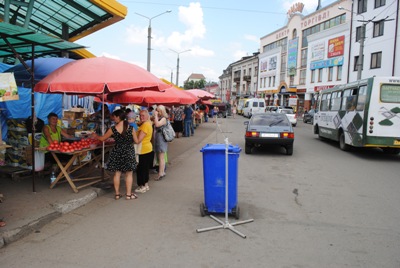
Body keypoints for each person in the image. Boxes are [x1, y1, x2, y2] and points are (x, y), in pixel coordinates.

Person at [90, 109, 139, 200]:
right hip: (128, 151)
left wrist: (95, 136)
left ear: (118, 117)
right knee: (129, 174)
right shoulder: (131, 128)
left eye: (114, 117)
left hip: (117, 151)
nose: (113, 119)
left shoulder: (113, 129)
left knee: (117, 173)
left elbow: (102, 139)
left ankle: (117, 194)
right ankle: (128, 195)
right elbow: (136, 141)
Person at [135, 109, 154, 193]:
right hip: (147, 148)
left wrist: (132, 134)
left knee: (141, 169)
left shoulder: (145, 125)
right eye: (140, 115)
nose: (141, 117)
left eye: (143, 115)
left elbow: (138, 140)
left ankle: (142, 185)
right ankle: (145, 185)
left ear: (147, 116)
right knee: (145, 169)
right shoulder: (147, 124)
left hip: (143, 149)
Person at [153, 105, 168, 181]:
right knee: (160, 157)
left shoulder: (164, 119)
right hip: (159, 138)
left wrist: (155, 116)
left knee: (161, 157)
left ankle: (161, 173)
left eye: (158, 111)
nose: (157, 112)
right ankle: (162, 172)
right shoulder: (160, 118)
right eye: (156, 110)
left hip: (161, 139)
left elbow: (157, 124)